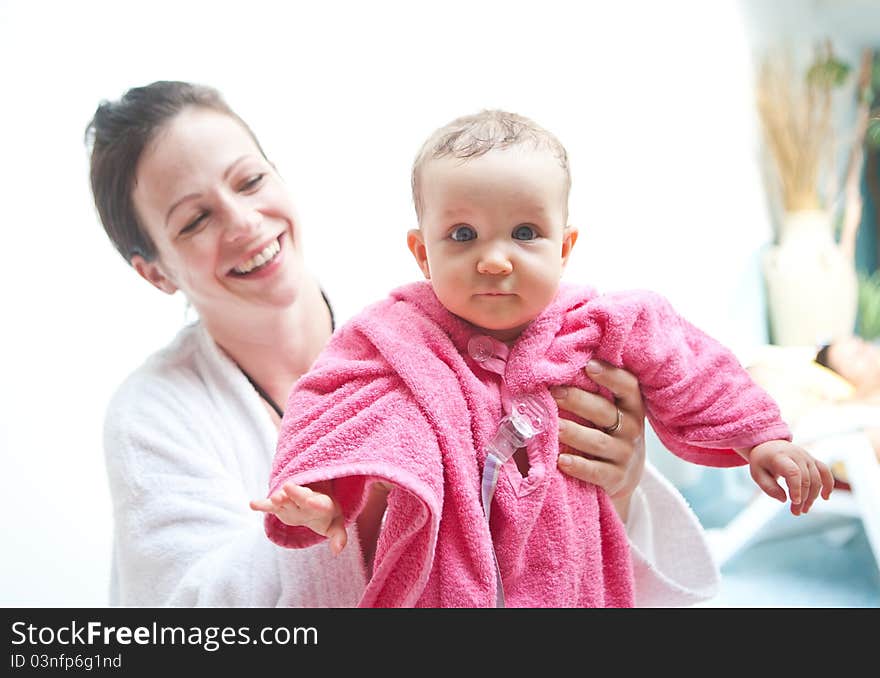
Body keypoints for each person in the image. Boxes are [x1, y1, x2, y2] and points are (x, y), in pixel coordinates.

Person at [87, 81, 722, 607]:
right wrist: (368, 498)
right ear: (156, 270)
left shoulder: (434, 312)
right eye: (195, 219)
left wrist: (616, 484)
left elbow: (548, 538)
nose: (244, 221)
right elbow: (182, 612)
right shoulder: (151, 415)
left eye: (250, 181)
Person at [252, 109, 835, 607]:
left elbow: (695, 365)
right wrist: (320, 492)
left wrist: (762, 438)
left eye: (525, 232)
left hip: (570, 568)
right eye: (462, 235)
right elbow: (329, 402)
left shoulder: (602, 325)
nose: (495, 260)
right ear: (421, 252)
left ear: (565, 246)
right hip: (442, 575)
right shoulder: (395, 337)